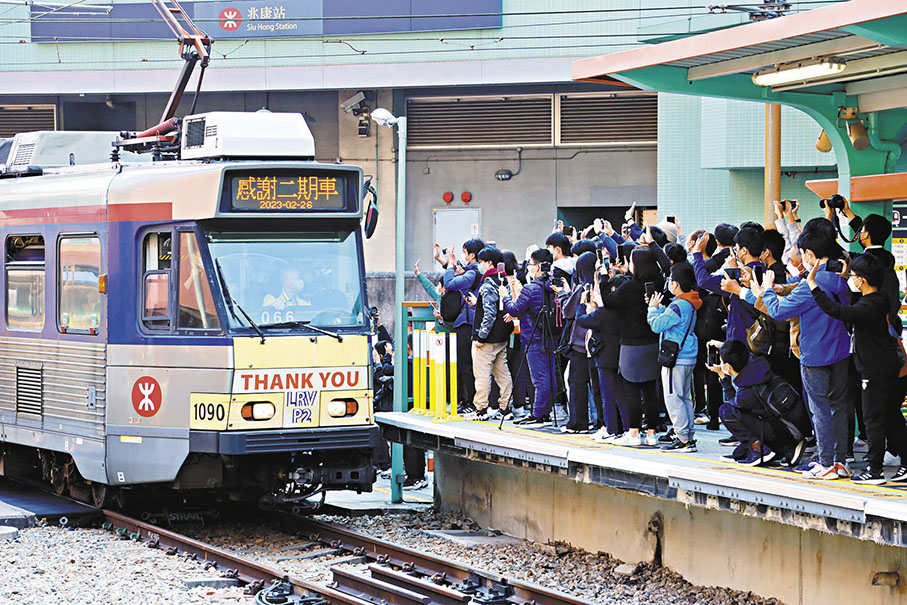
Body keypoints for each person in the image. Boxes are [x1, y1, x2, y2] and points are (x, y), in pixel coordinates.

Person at [747, 219, 852, 480]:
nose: (801, 257)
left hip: (815, 355)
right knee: (839, 406)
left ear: (811, 255)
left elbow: (780, 312)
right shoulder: (841, 279)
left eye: (803, 253)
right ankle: (840, 461)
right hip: (841, 351)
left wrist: (769, 290)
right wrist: (789, 287)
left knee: (820, 407)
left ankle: (825, 461)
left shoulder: (809, 286)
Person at [807, 255, 907, 485]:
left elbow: (838, 311)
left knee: (873, 420)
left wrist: (813, 285)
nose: (850, 279)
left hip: (875, 370)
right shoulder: (879, 298)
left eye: (852, 276)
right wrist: (845, 277)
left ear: (861, 280)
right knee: (891, 417)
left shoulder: (868, 306)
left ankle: (874, 471)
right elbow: (855, 306)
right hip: (888, 366)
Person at [599, 246, 663, 446]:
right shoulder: (658, 283)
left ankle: (634, 434)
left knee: (632, 390)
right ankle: (651, 434)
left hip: (631, 346)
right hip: (652, 342)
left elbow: (608, 301)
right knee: (650, 390)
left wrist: (603, 279)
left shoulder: (628, 288)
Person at [712, 340, 809, 467]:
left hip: (784, 433)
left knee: (726, 411)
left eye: (722, 361)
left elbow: (733, 402)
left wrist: (723, 378)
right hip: (796, 427)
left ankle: (759, 449)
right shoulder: (760, 369)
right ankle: (776, 447)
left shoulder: (747, 391)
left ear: (728, 367)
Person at [647, 264, 701, 451]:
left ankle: (683, 439)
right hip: (688, 356)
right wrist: (662, 308)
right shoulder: (690, 302)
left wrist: (653, 309)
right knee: (684, 397)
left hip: (675, 358)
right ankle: (688, 436)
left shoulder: (678, 305)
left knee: (673, 397)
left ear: (676, 284)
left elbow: (656, 325)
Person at [505, 249, 559, 426]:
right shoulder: (555, 285)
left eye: (530, 264)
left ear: (537, 267)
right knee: (550, 376)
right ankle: (545, 411)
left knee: (539, 378)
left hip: (534, 337)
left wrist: (504, 297)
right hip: (552, 336)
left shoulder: (531, 288)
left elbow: (514, 309)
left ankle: (538, 414)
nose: (529, 267)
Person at [467, 246, 514, 421]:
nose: (479, 265)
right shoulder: (503, 281)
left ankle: (481, 409)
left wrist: (481, 336)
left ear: (489, 263)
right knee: (502, 373)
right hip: (502, 336)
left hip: (487, 340)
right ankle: (505, 408)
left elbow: (489, 314)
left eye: (481, 262)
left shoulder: (487, 284)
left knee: (482, 375)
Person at [554, 251, 597, 433]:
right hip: (597, 343)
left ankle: (578, 423)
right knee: (596, 385)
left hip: (580, 343)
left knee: (576, 383)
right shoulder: (599, 285)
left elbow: (568, 312)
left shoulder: (582, 288)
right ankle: (601, 423)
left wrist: (563, 294)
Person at [442, 238, 485, 415]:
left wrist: (449, 267)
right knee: (470, 364)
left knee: (466, 364)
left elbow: (449, 284)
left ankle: (470, 401)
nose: (463, 256)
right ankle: (471, 400)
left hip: (467, 322)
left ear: (472, 254)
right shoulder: (473, 272)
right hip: (469, 321)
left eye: (465, 252)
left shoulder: (472, 273)